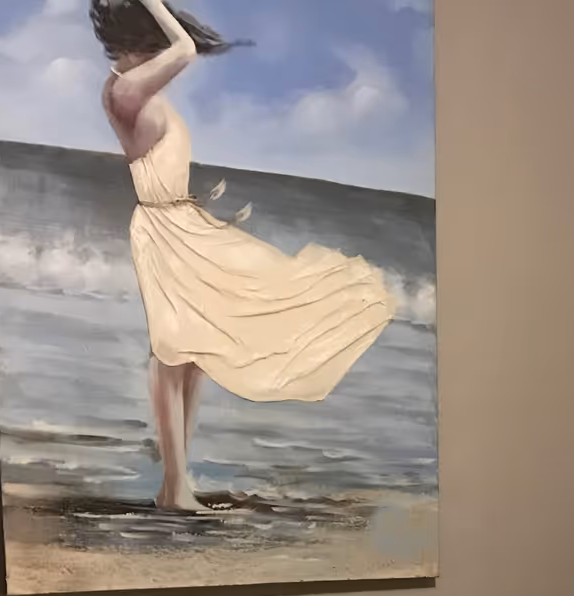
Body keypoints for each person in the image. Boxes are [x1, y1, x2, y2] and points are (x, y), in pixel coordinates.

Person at [93, 0, 397, 511]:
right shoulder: (125, 90)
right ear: (134, 44)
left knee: (197, 356)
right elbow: (186, 48)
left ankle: (177, 485)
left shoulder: (135, 88)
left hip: (182, 222)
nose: (159, 55)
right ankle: (175, 487)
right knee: (172, 356)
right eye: (151, 45)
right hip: (165, 227)